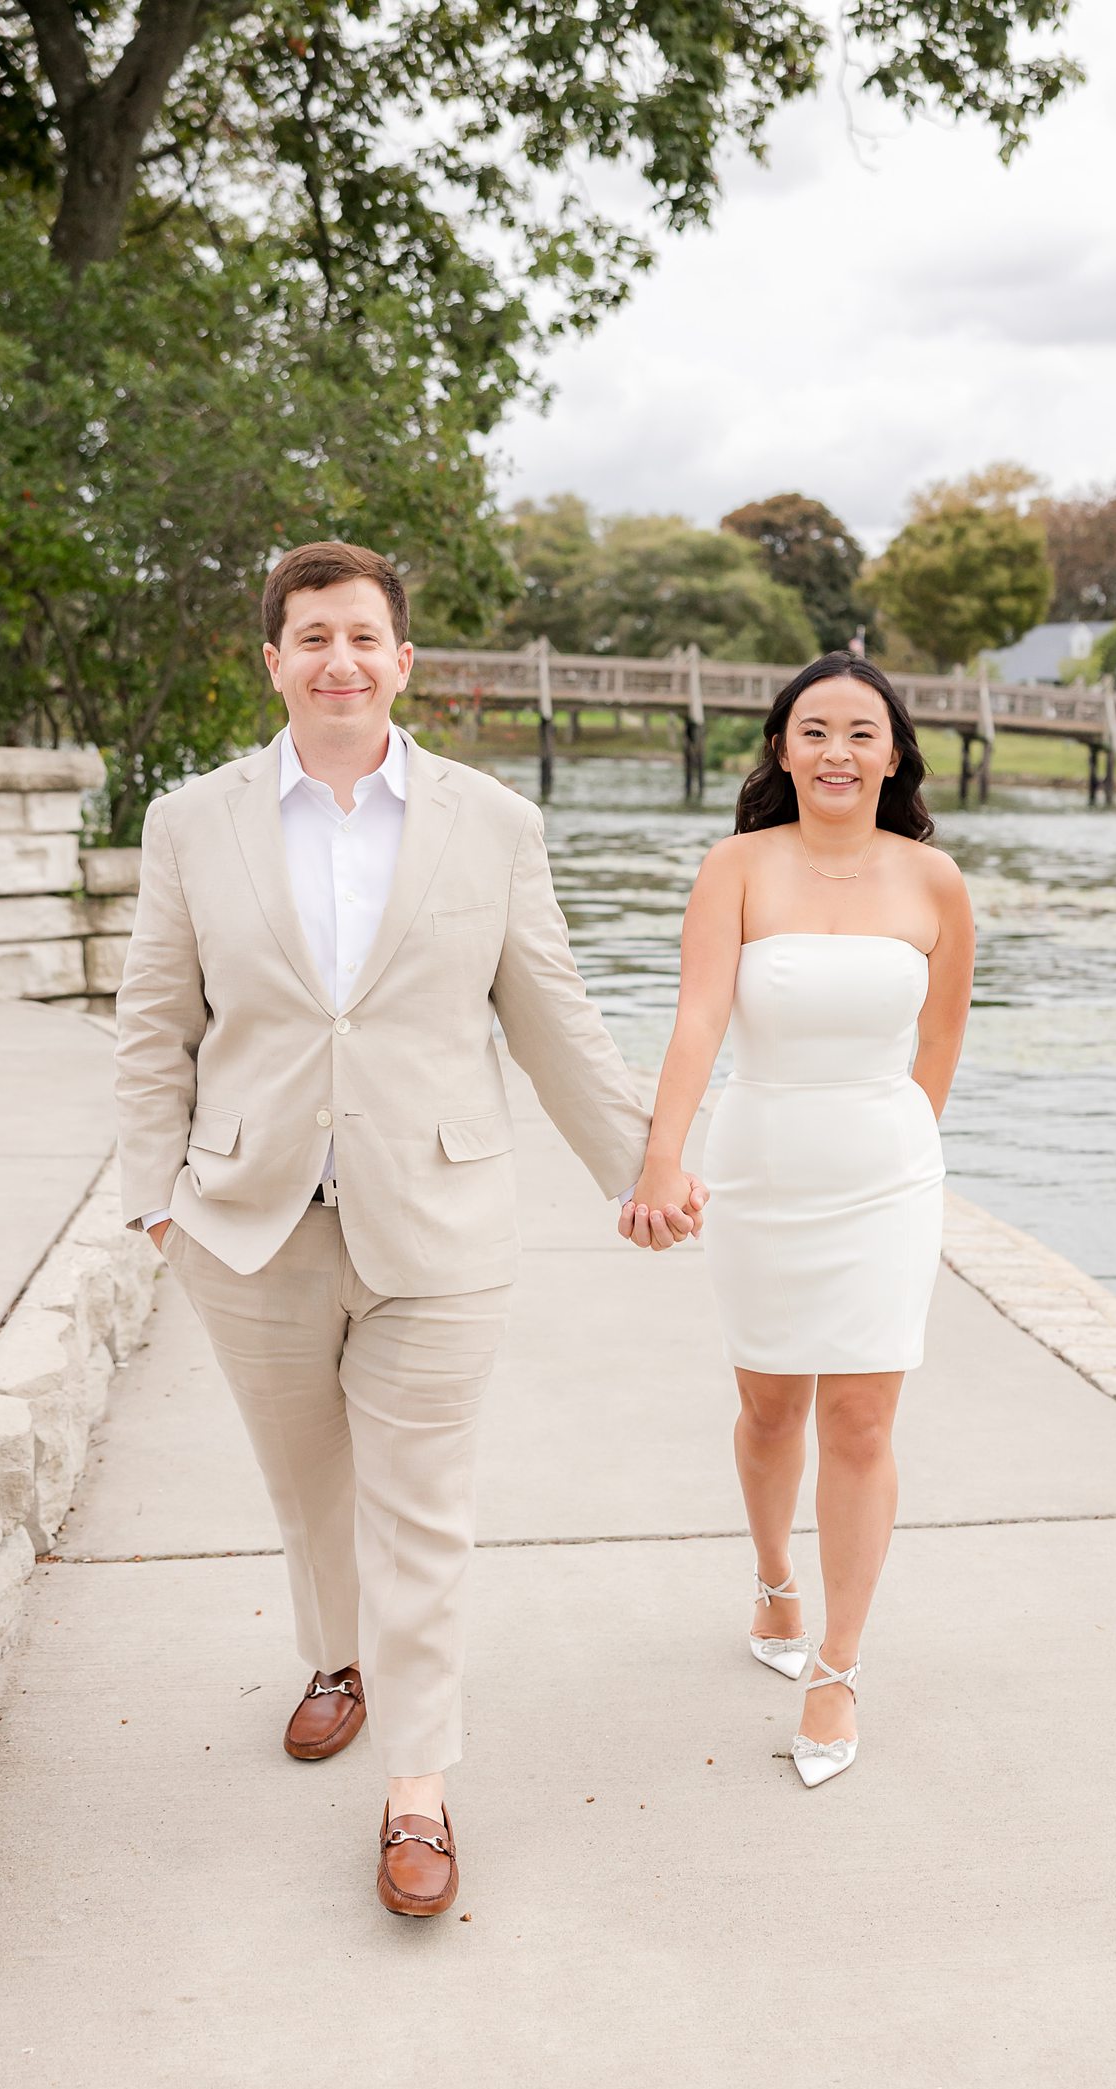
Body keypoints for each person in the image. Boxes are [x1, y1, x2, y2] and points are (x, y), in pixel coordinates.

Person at [115, 540, 704, 1917]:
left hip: (439, 1222)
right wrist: (156, 1194)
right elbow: (157, 1025)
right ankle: (337, 1660)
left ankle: (419, 1789)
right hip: (245, 1220)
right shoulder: (190, 822)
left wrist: (644, 1164)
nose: (339, 661)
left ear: (404, 662)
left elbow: (550, 1014)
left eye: (363, 637)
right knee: (305, 1483)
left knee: (421, 1509)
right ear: (272, 662)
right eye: (311, 637)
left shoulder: (490, 823)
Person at [621, 653, 974, 1787]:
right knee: (770, 1408)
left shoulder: (935, 884)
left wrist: (896, 1144)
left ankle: (837, 1663)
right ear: (780, 748)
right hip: (760, 1163)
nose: (835, 752)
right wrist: (661, 1157)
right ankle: (773, 1571)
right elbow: (697, 1019)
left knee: (863, 1423)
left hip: (883, 1177)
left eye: (860, 733)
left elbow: (939, 1043)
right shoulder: (735, 866)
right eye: (812, 731)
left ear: (894, 754)